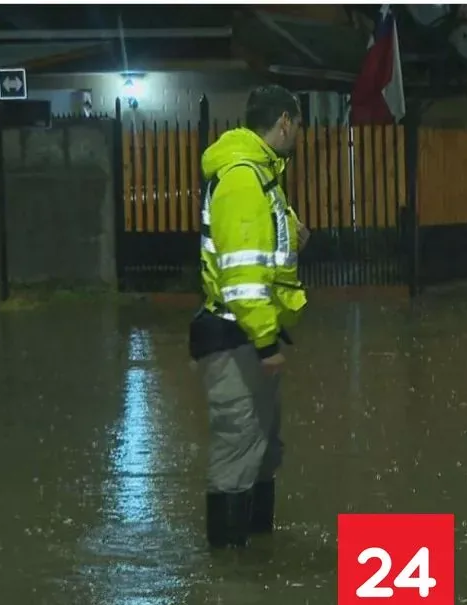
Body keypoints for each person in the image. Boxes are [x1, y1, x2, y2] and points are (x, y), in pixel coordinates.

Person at [189, 84, 310, 549]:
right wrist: (264, 343)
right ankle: (230, 572)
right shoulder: (244, 177)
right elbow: (241, 276)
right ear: (284, 121)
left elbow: (261, 246)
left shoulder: (262, 175)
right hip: (238, 336)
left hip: (251, 334)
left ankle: (257, 558)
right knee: (237, 454)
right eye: (298, 124)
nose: (299, 133)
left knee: (260, 448)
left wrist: (292, 234)